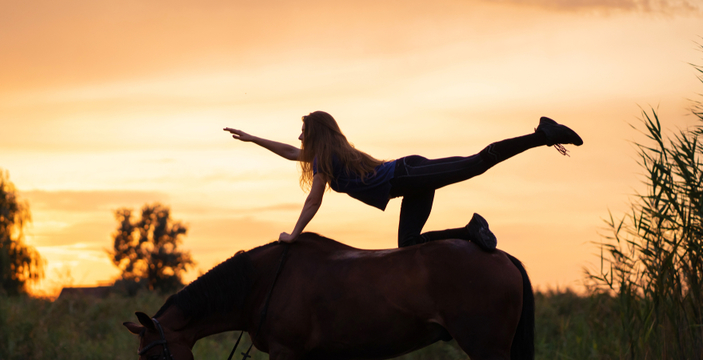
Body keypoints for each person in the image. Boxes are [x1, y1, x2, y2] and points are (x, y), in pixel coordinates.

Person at [224, 111, 582, 250]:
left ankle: (541, 135)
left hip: (408, 173)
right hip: (407, 182)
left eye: (303, 132)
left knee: (476, 163)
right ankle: (470, 232)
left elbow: (313, 201)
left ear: (315, 133)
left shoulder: (326, 160)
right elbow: (289, 152)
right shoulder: (327, 154)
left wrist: (294, 234)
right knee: (409, 245)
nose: (299, 138)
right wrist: (254, 138)